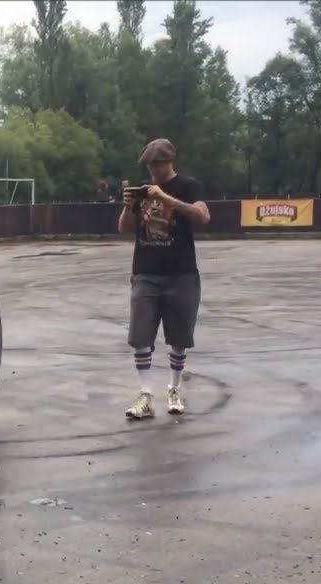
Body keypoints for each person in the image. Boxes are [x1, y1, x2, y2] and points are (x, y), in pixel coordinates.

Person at [118, 138, 210, 419]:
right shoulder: (143, 190)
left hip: (181, 273)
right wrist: (127, 206)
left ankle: (174, 388)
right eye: (148, 166)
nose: (151, 171)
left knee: (179, 337)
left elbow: (203, 216)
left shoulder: (188, 185)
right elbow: (124, 229)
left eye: (155, 165)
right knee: (140, 336)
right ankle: (145, 394)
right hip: (145, 271)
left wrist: (165, 198)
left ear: (167, 162)